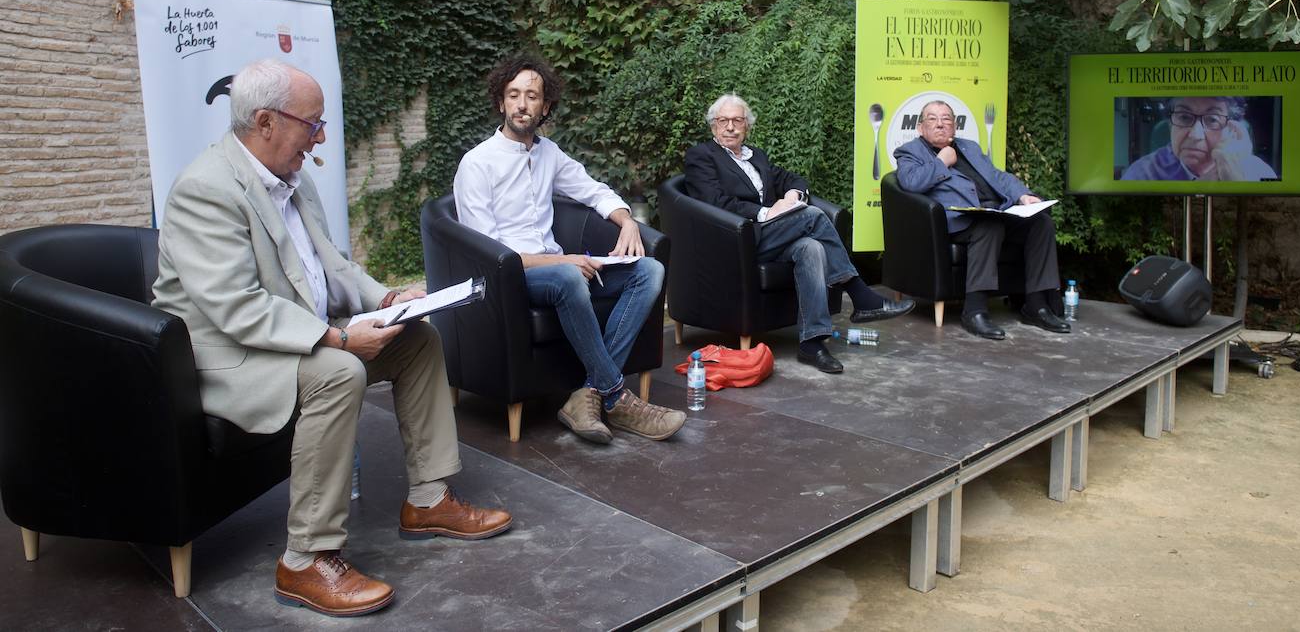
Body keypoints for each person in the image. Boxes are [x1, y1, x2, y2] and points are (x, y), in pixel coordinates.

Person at [153, 59, 511, 618]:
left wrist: (388, 302)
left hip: (287, 340)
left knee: (417, 341)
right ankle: (306, 559)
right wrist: (338, 339)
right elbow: (236, 306)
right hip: (229, 358)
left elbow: (333, 265)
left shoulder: (293, 181)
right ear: (266, 122)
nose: (320, 137)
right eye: (312, 123)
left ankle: (429, 499)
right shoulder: (206, 189)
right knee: (338, 372)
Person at [453, 55, 685, 445]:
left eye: (532, 96)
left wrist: (627, 220)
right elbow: (489, 255)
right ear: (500, 102)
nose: (522, 104)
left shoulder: (549, 154)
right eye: (513, 95)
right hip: (512, 278)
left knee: (650, 271)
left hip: (558, 270)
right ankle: (616, 396)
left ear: (545, 106)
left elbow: (592, 190)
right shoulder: (477, 164)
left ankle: (588, 393)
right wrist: (562, 260)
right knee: (567, 276)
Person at [684, 94, 914, 373]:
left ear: (747, 126)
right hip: (736, 239)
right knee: (812, 216)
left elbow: (792, 179)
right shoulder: (702, 156)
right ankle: (860, 294)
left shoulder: (757, 156)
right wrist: (767, 212)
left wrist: (793, 194)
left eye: (738, 121)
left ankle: (812, 343)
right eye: (724, 121)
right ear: (713, 125)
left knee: (811, 248)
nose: (730, 127)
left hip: (769, 237)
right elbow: (714, 202)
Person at [893, 100, 1068, 341]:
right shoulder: (910, 152)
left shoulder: (970, 147)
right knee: (989, 225)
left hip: (995, 212)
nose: (940, 124)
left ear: (954, 126)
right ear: (920, 127)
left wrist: (1023, 195)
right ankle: (974, 311)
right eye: (932, 119)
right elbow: (911, 183)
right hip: (956, 220)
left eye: (946, 119)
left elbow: (997, 176)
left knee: (1041, 223)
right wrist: (941, 162)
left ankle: (1036, 305)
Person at [1120, 96, 1277, 181]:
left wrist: (1233, 177)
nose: (1196, 135)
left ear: (1232, 129)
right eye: (1184, 117)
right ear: (1170, 125)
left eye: (1212, 119)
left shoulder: (1259, 173)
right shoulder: (1142, 173)